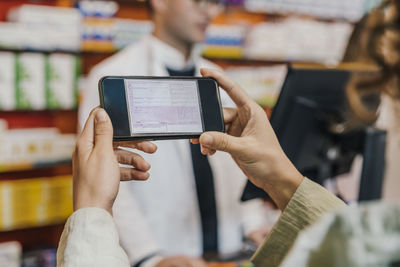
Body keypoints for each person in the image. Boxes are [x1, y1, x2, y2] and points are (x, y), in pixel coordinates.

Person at [58, 67, 400, 267]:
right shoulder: (116, 68)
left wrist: (91, 210)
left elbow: (224, 166)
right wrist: (150, 256)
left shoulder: (211, 78)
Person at [79, 0, 270, 266]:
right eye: (199, 2)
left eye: (215, 3)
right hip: (165, 254)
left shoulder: (219, 78)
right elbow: (105, 181)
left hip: (228, 252)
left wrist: (253, 222)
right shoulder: (112, 75)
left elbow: (235, 162)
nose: (210, 12)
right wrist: (149, 257)